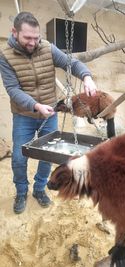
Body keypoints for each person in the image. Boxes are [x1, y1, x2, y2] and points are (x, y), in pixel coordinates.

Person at [0, 11, 97, 214]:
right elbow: (13, 89)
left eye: (36, 38)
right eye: (28, 37)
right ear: (14, 32)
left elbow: (72, 63)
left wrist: (86, 76)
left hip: (50, 112)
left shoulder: (47, 48)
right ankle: (21, 192)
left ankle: (39, 189)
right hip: (23, 116)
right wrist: (35, 106)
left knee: (48, 155)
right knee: (19, 157)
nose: (33, 42)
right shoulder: (5, 56)